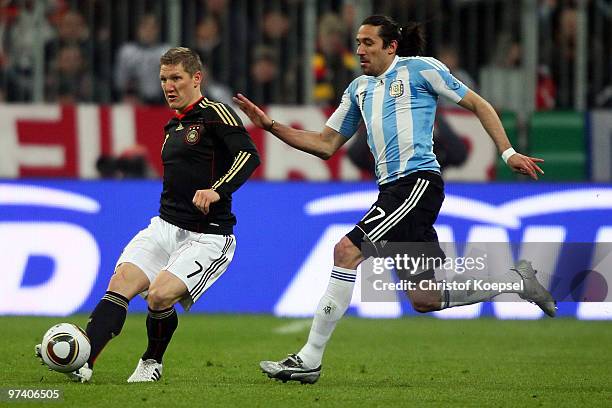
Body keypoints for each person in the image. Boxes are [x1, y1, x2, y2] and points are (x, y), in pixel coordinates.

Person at [234, 15, 555, 385]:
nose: (360, 50)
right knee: (425, 299)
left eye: (369, 43)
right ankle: (517, 281)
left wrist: (508, 152)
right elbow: (325, 145)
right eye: (357, 42)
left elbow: (479, 105)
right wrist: (271, 126)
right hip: (394, 190)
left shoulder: (421, 70)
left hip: (416, 183)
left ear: (391, 46)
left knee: (345, 251)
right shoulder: (358, 89)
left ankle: (309, 360)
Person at [36, 47, 260, 383]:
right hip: (164, 226)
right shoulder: (173, 126)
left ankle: (152, 361)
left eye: (176, 79)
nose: (169, 86)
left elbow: (249, 155)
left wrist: (218, 189)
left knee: (158, 295)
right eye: (163, 79)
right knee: (119, 284)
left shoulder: (217, 114)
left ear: (196, 79)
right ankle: (85, 362)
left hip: (207, 235)